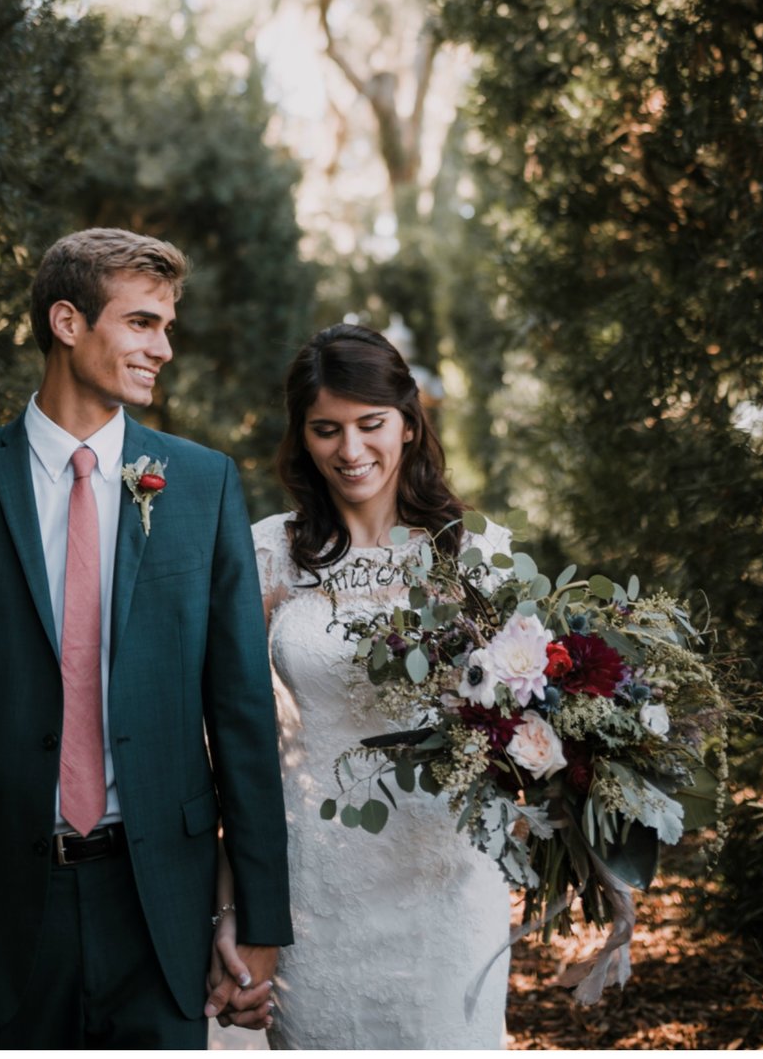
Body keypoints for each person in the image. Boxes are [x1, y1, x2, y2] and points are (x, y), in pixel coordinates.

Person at [0, 228, 291, 1049]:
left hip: (160, 910)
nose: (165, 348)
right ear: (68, 321)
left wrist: (258, 915)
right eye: (143, 324)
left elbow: (242, 717)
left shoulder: (201, 484)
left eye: (168, 328)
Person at [245, 323, 514, 1048]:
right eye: (326, 430)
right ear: (302, 437)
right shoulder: (270, 552)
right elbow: (233, 735)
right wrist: (236, 905)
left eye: (371, 424)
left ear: (408, 422)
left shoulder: (473, 552)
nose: (352, 450)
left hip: (448, 876)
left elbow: (523, 717)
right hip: (314, 888)